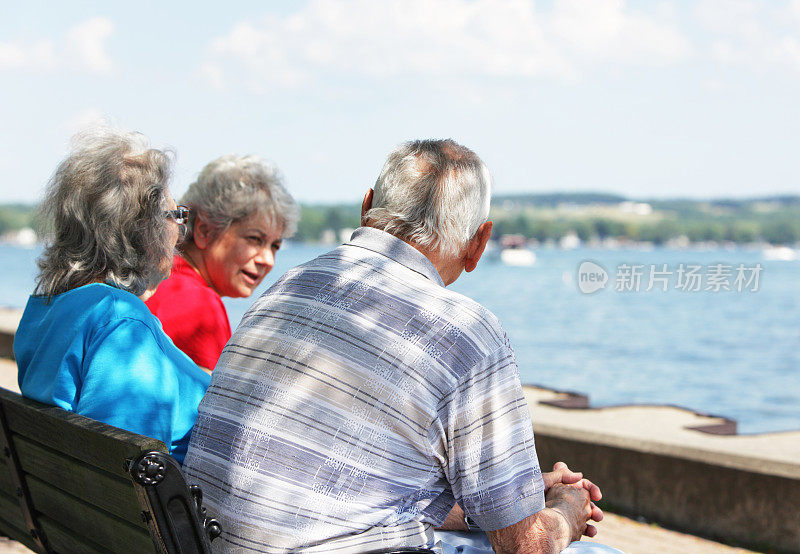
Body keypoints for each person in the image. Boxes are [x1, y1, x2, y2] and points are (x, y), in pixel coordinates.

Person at [182, 140, 615, 553]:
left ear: (367, 206)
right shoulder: (468, 333)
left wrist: (510, 494)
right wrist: (566, 511)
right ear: (479, 244)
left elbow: (349, 499)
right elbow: (524, 547)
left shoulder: (288, 288)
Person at [14, 127, 210, 464]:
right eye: (175, 215)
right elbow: (123, 467)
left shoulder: (46, 310)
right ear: (141, 228)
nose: (180, 231)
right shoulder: (121, 322)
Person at [146, 155, 299, 371]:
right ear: (204, 231)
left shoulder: (154, 280)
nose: (268, 260)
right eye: (254, 239)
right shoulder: (198, 304)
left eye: (275, 245)